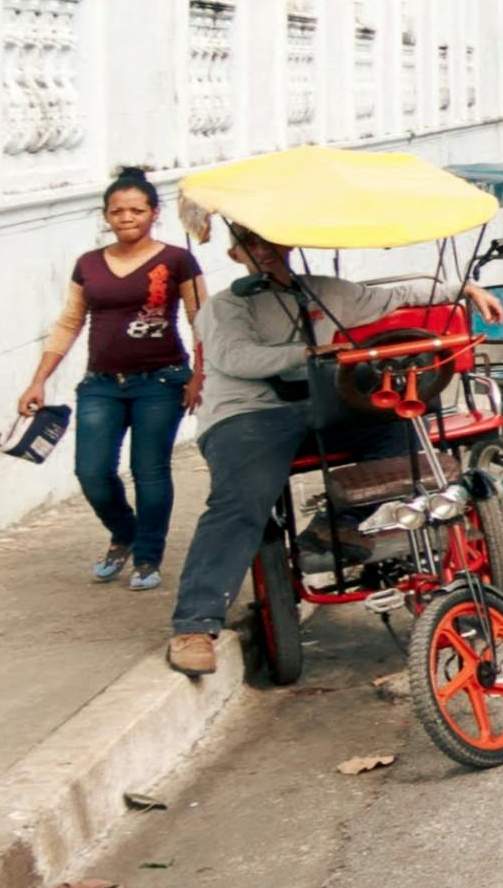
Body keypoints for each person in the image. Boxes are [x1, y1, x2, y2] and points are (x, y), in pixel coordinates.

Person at [161, 224, 426, 678]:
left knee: (400, 430)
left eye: (270, 240)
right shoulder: (225, 306)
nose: (263, 251)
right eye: (251, 243)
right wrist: (309, 353)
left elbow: (401, 293)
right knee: (240, 502)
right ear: (235, 251)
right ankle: (195, 623)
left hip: (319, 406)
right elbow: (236, 359)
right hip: (246, 415)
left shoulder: (324, 292)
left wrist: (469, 289)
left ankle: (336, 525)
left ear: (289, 241)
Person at [13, 169, 204, 590]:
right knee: (92, 471)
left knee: (149, 469)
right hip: (101, 384)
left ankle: (148, 558)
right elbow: (69, 322)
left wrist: (198, 376)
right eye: (117, 211)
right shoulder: (88, 265)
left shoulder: (177, 260)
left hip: (162, 381)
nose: (127, 217)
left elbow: (200, 320)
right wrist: (38, 380)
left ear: (154, 213)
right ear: (106, 216)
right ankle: (125, 534)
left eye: (137, 210)